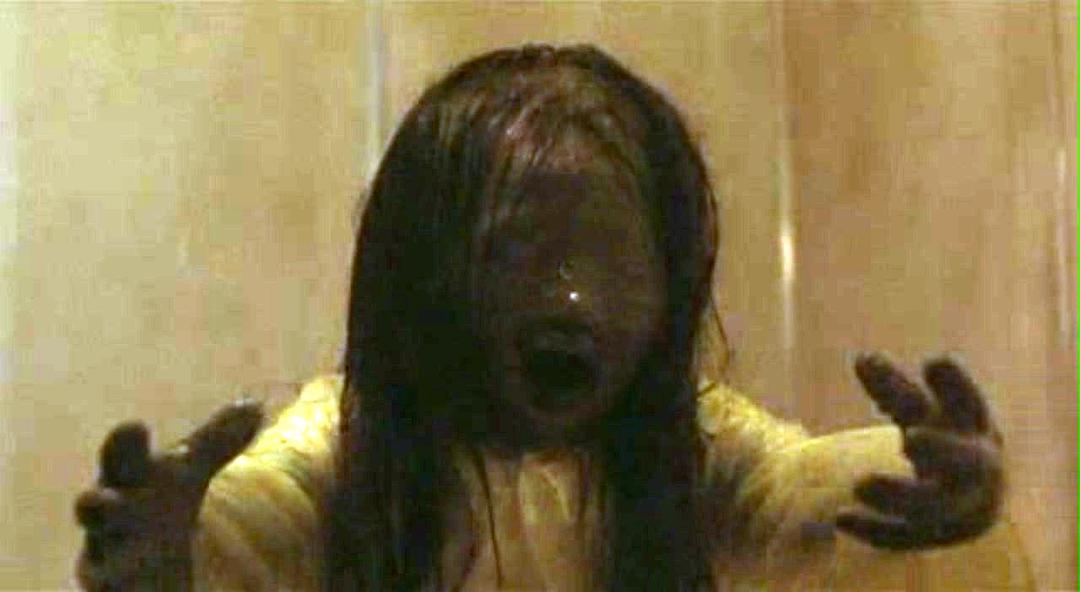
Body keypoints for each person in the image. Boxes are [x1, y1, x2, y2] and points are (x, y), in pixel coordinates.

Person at [74, 44, 1021, 592]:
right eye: (521, 256)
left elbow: (802, 494)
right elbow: (255, 520)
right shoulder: (340, 461)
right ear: (426, 279)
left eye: (611, 262)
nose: (571, 302)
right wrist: (175, 563)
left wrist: (944, 504)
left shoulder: (686, 450)